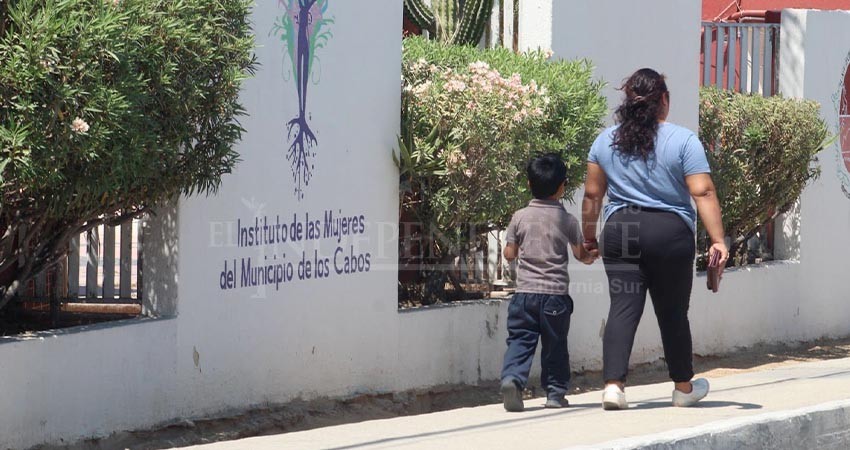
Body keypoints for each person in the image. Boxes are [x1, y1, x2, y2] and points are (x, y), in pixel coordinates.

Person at [581, 68, 729, 410]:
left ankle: (613, 387)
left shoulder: (605, 141)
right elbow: (702, 191)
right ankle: (682, 388)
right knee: (673, 311)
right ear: (663, 100)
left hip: (621, 231)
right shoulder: (683, 140)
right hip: (670, 233)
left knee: (622, 307)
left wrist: (589, 237)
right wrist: (718, 240)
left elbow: (592, 196)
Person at [500, 153, 597, 412]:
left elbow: (510, 254)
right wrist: (592, 256)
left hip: (524, 296)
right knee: (555, 346)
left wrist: (514, 251)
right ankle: (555, 394)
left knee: (520, 340)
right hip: (555, 297)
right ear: (562, 187)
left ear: (530, 184)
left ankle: (513, 379)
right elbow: (581, 256)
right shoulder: (567, 220)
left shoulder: (519, 217)